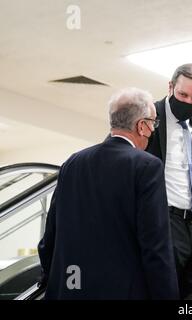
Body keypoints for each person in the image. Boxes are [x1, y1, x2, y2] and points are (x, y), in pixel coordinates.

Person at [38, 88, 179, 300]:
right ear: (141, 126)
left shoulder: (73, 163)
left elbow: (50, 234)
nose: (152, 131)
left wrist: (52, 278)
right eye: (153, 124)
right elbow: (155, 245)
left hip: (70, 289)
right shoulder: (146, 166)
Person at [146, 63, 192, 298]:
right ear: (170, 87)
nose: (188, 101)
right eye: (182, 94)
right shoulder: (148, 116)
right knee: (166, 288)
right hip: (162, 218)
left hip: (189, 223)